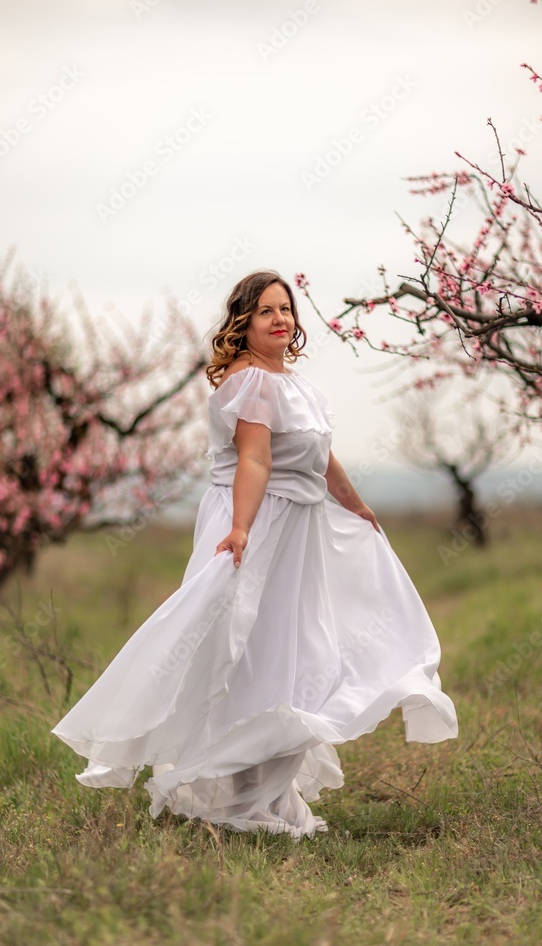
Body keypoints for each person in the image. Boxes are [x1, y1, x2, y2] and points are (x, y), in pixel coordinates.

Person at [51, 270, 458, 840]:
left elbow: (320, 457)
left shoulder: (295, 384)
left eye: (287, 309)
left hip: (300, 532)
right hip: (258, 525)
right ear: (243, 322)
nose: (281, 319)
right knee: (243, 652)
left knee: (297, 655)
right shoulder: (250, 382)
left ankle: (265, 791)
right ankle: (235, 790)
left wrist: (358, 506)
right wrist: (241, 529)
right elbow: (255, 461)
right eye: (267, 311)